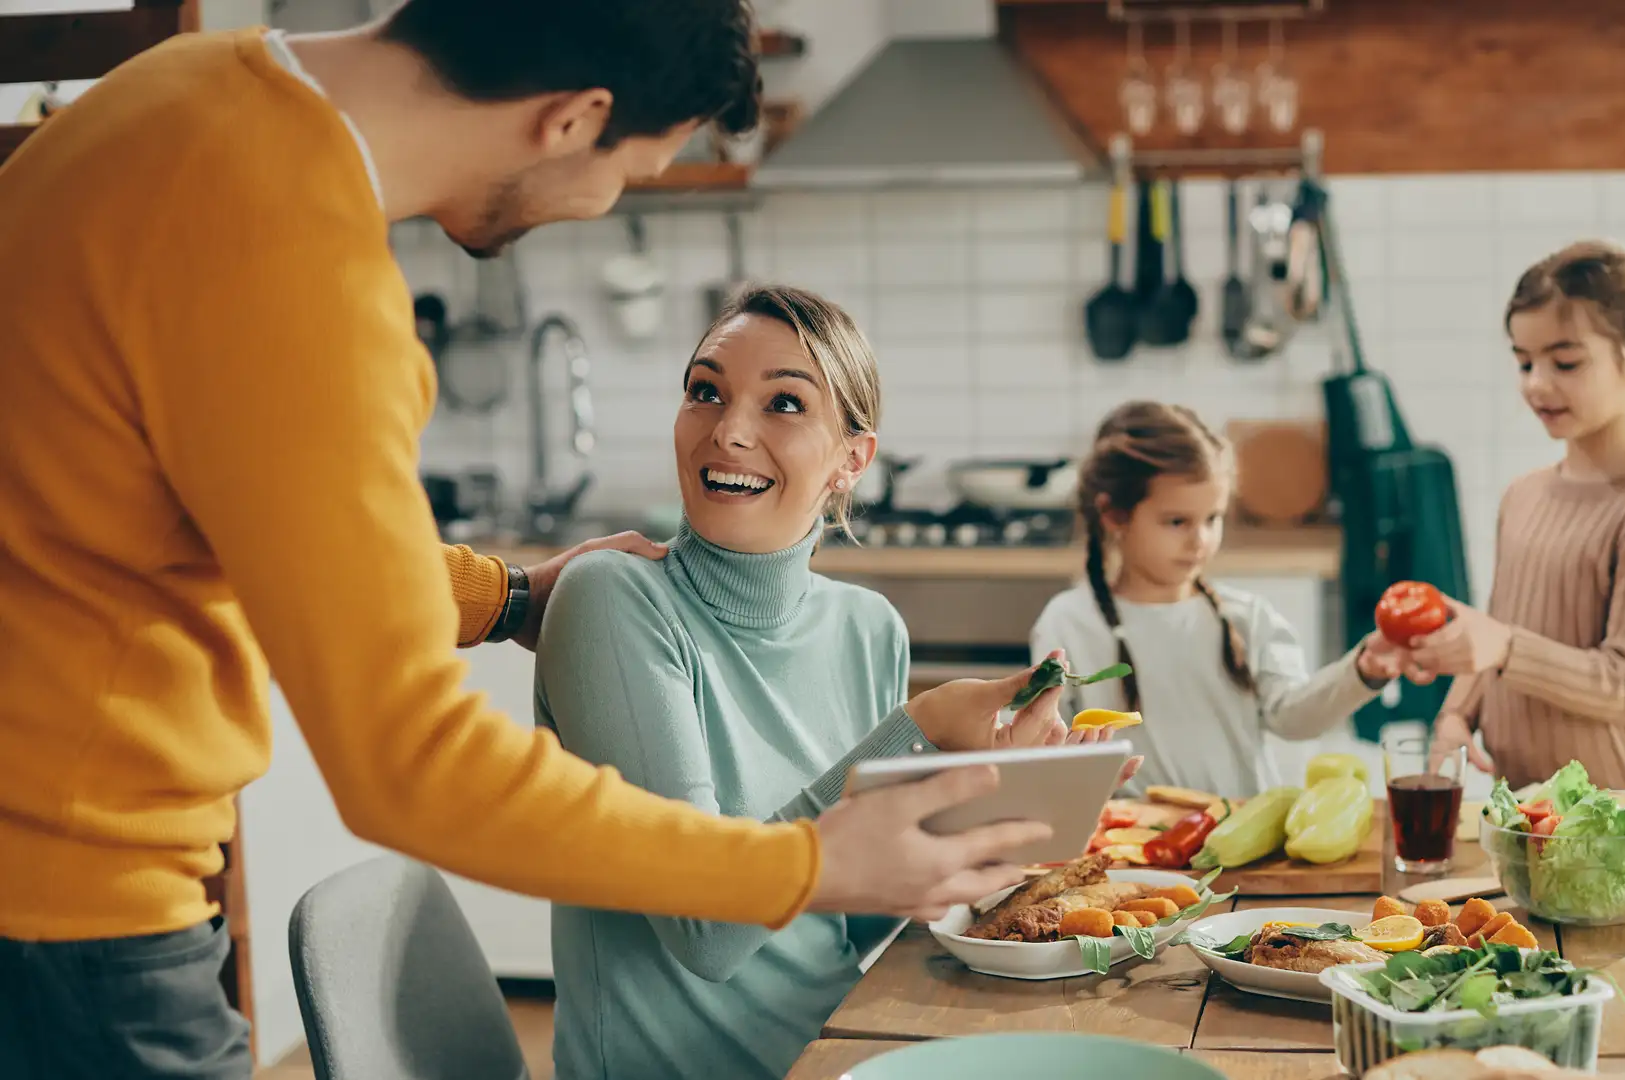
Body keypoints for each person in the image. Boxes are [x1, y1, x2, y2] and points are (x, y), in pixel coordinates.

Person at [0, 5, 1046, 1076]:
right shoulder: (289, 258)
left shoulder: (183, 94)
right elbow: (405, 765)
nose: (605, 206)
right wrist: (801, 865)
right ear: (574, 118)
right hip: (67, 896)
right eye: (630, 172)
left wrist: (502, 597)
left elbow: (222, 523)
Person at [535, 285, 1133, 1080]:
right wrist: (918, 730)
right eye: (704, 391)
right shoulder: (612, 600)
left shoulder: (866, 626)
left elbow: (851, 927)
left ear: (853, 461)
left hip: (841, 1048)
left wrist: (990, 798)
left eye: (783, 403)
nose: (729, 430)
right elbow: (706, 931)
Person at [1406, 239, 1625, 791]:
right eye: (1524, 361)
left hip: (1617, 820)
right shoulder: (1523, 495)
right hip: (1522, 814)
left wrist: (1503, 646)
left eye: (1565, 362)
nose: (1536, 383)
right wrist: (1456, 713)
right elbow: (1503, 629)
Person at [1030, 402, 1409, 798]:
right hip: (1128, 847)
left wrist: (1363, 670)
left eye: (1212, 519)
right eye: (1177, 522)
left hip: (1239, 844)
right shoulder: (1067, 623)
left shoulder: (1247, 617)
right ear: (1113, 515)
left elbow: (1294, 718)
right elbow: (1048, 751)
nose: (1201, 541)